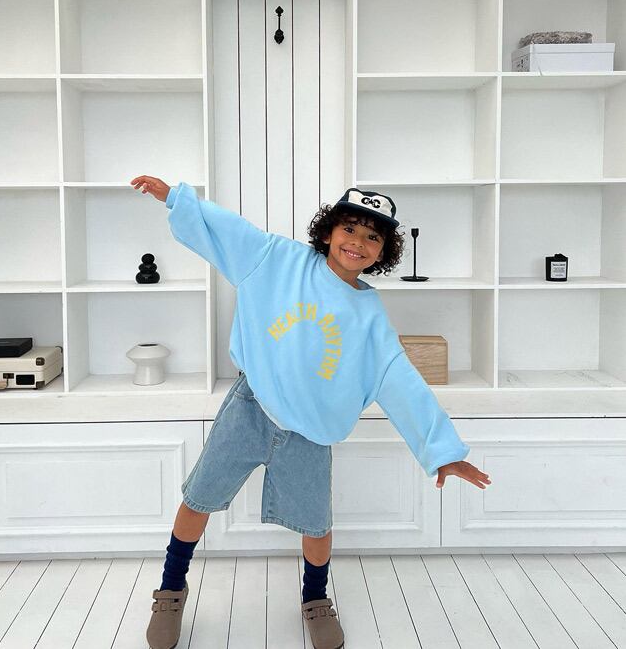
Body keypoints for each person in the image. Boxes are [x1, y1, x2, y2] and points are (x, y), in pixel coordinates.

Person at [130, 175, 491, 649]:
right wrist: (177, 199)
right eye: (350, 228)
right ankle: (170, 590)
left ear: (383, 251)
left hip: (311, 432)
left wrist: (442, 451)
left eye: (372, 236)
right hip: (250, 407)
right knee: (198, 499)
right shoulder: (277, 259)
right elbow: (231, 231)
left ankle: (315, 598)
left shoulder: (370, 315)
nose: (357, 242)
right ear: (328, 231)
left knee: (316, 525)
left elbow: (400, 379)